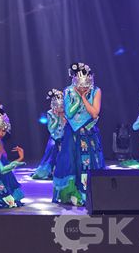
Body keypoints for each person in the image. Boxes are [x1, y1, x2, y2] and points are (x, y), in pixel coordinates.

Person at [52, 62, 104, 206]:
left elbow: (95, 113)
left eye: (86, 85)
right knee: (71, 161)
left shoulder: (96, 91)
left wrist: (84, 98)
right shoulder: (68, 91)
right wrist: (78, 97)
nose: (83, 88)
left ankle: (88, 193)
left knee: (88, 162)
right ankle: (72, 193)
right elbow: (69, 113)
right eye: (80, 85)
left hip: (89, 131)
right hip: (72, 133)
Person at [31, 89, 66, 180]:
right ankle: (50, 171)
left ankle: (63, 170)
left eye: (62, 106)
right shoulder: (50, 113)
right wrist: (57, 118)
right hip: (55, 136)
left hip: (66, 136)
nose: (60, 108)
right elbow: (51, 128)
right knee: (53, 148)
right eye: (58, 106)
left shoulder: (67, 113)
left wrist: (63, 118)